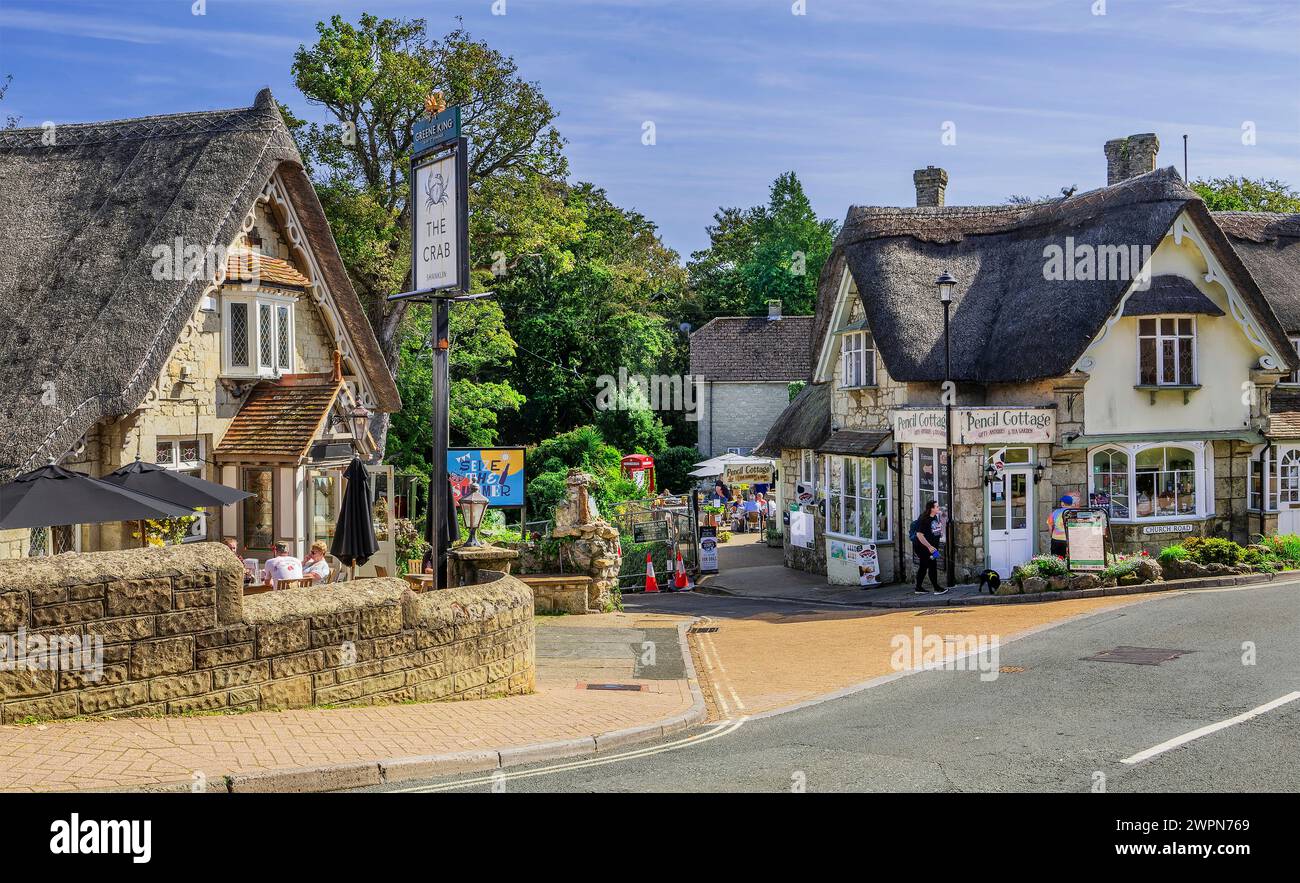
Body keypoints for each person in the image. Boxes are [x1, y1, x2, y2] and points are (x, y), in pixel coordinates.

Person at [910, 500, 947, 595]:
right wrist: (929, 546)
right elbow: (919, 535)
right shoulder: (923, 519)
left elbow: (934, 530)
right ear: (932, 509)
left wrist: (939, 532)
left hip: (932, 547)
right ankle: (936, 588)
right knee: (931, 566)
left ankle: (918, 588)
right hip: (923, 547)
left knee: (924, 566)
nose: (938, 508)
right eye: (937, 507)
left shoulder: (934, 517)